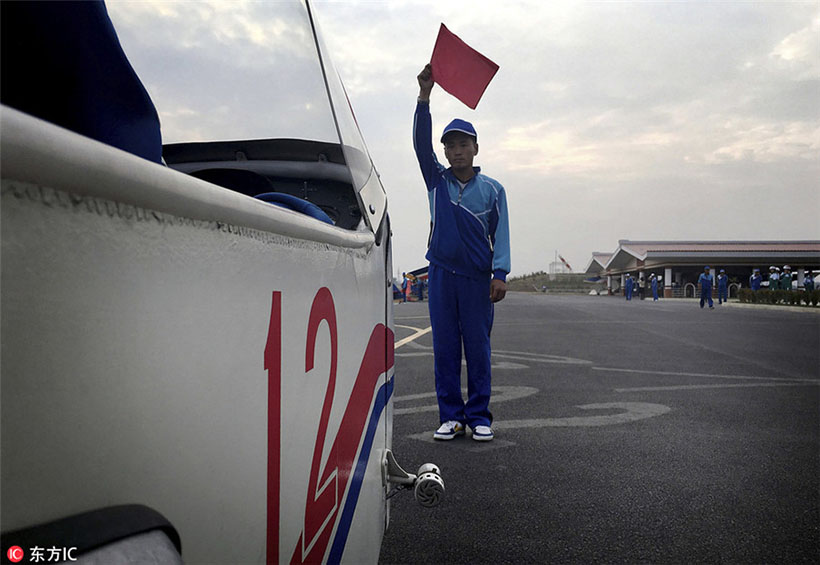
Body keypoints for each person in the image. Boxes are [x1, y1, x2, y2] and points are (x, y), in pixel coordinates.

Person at [414, 63, 510, 442]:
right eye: (450, 146)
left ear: (475, 147)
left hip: (475, 280)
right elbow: (421, 144)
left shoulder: (492, 189)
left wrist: (499, 273)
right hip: (440, 275)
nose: (456, 151)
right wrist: (424, 96)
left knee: (478, 348)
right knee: (445, 349)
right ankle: (451, 416)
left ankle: (480, 416)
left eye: (463, 144)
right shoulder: (436, 180)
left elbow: (500, 234)